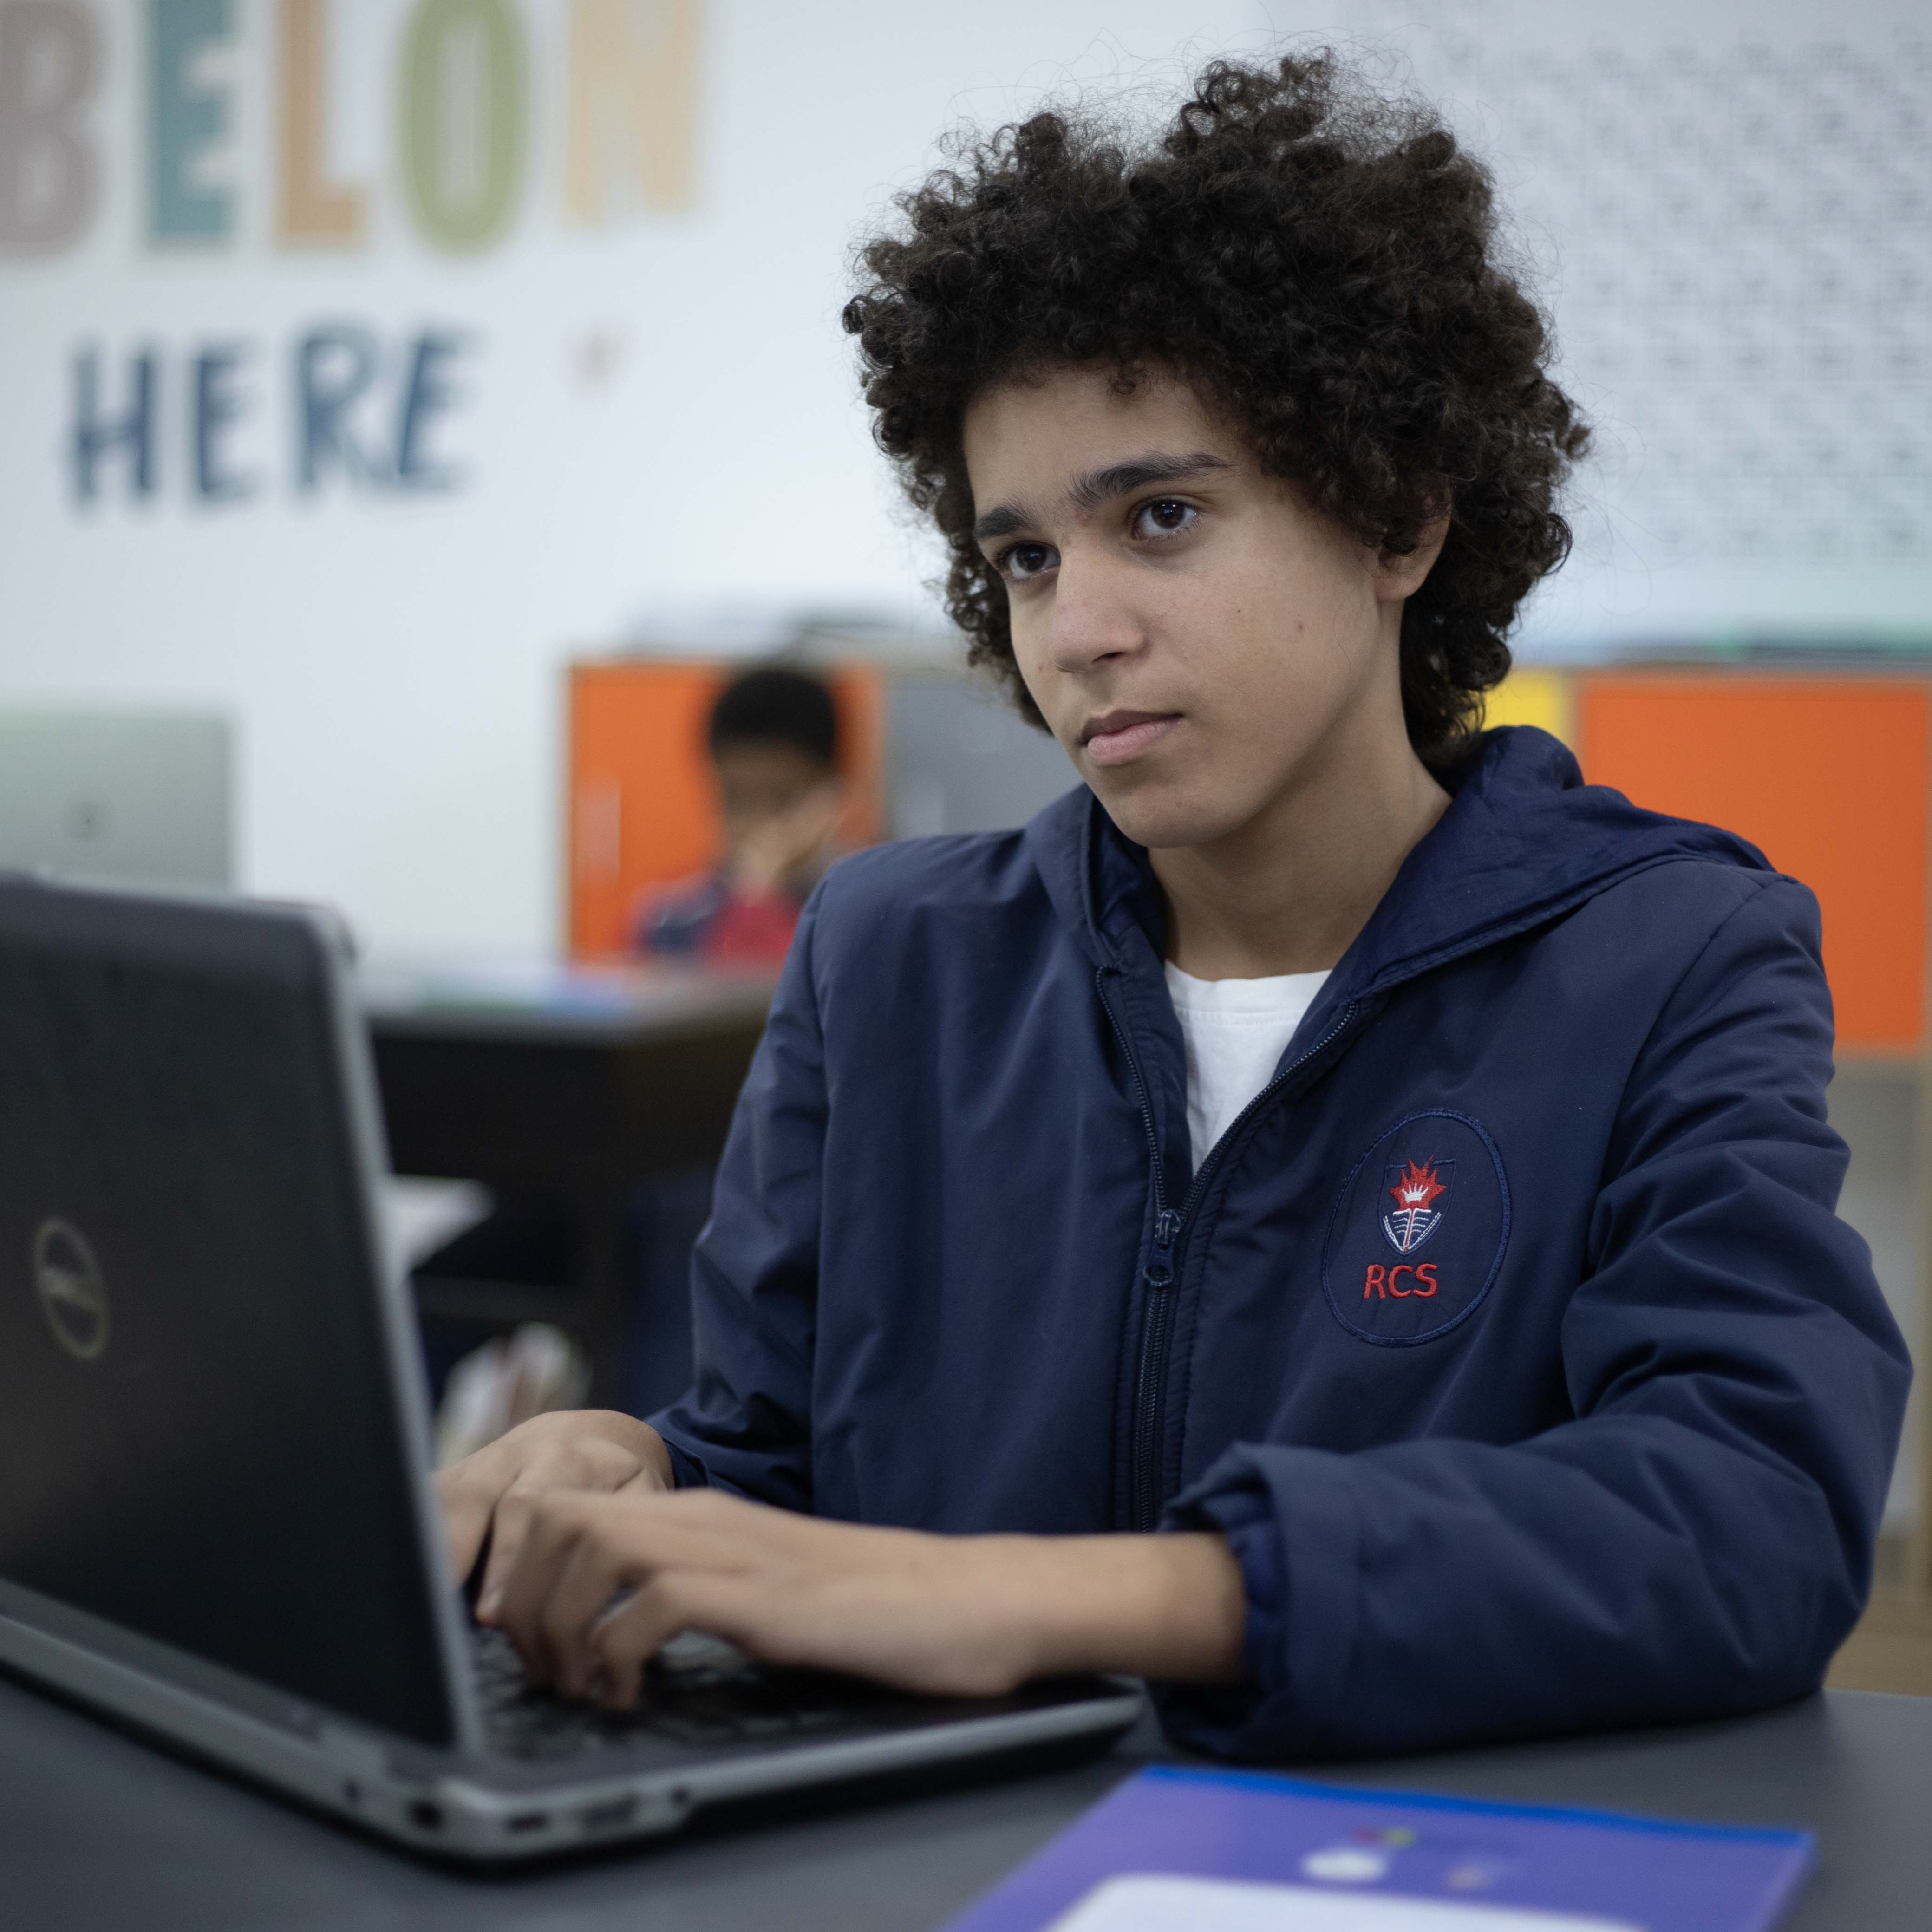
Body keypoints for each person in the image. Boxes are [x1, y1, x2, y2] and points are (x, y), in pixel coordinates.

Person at [437, 54, 1909, 1761]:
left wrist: (1061, 1599)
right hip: (920, 1871)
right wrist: (647, 1469)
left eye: (1161, 515)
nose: (1076, 632)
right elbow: (774, 1462)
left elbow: (1751, 1518)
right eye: (1027, 559)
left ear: (1400, 514)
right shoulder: (890, 958)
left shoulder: (1668, 957)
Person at [634, 664, 846, 970]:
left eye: (781, 800)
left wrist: (761, 895)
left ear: (830, 796)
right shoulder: (668, 920)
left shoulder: (858, 915)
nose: (755, 823)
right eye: (735, 800)